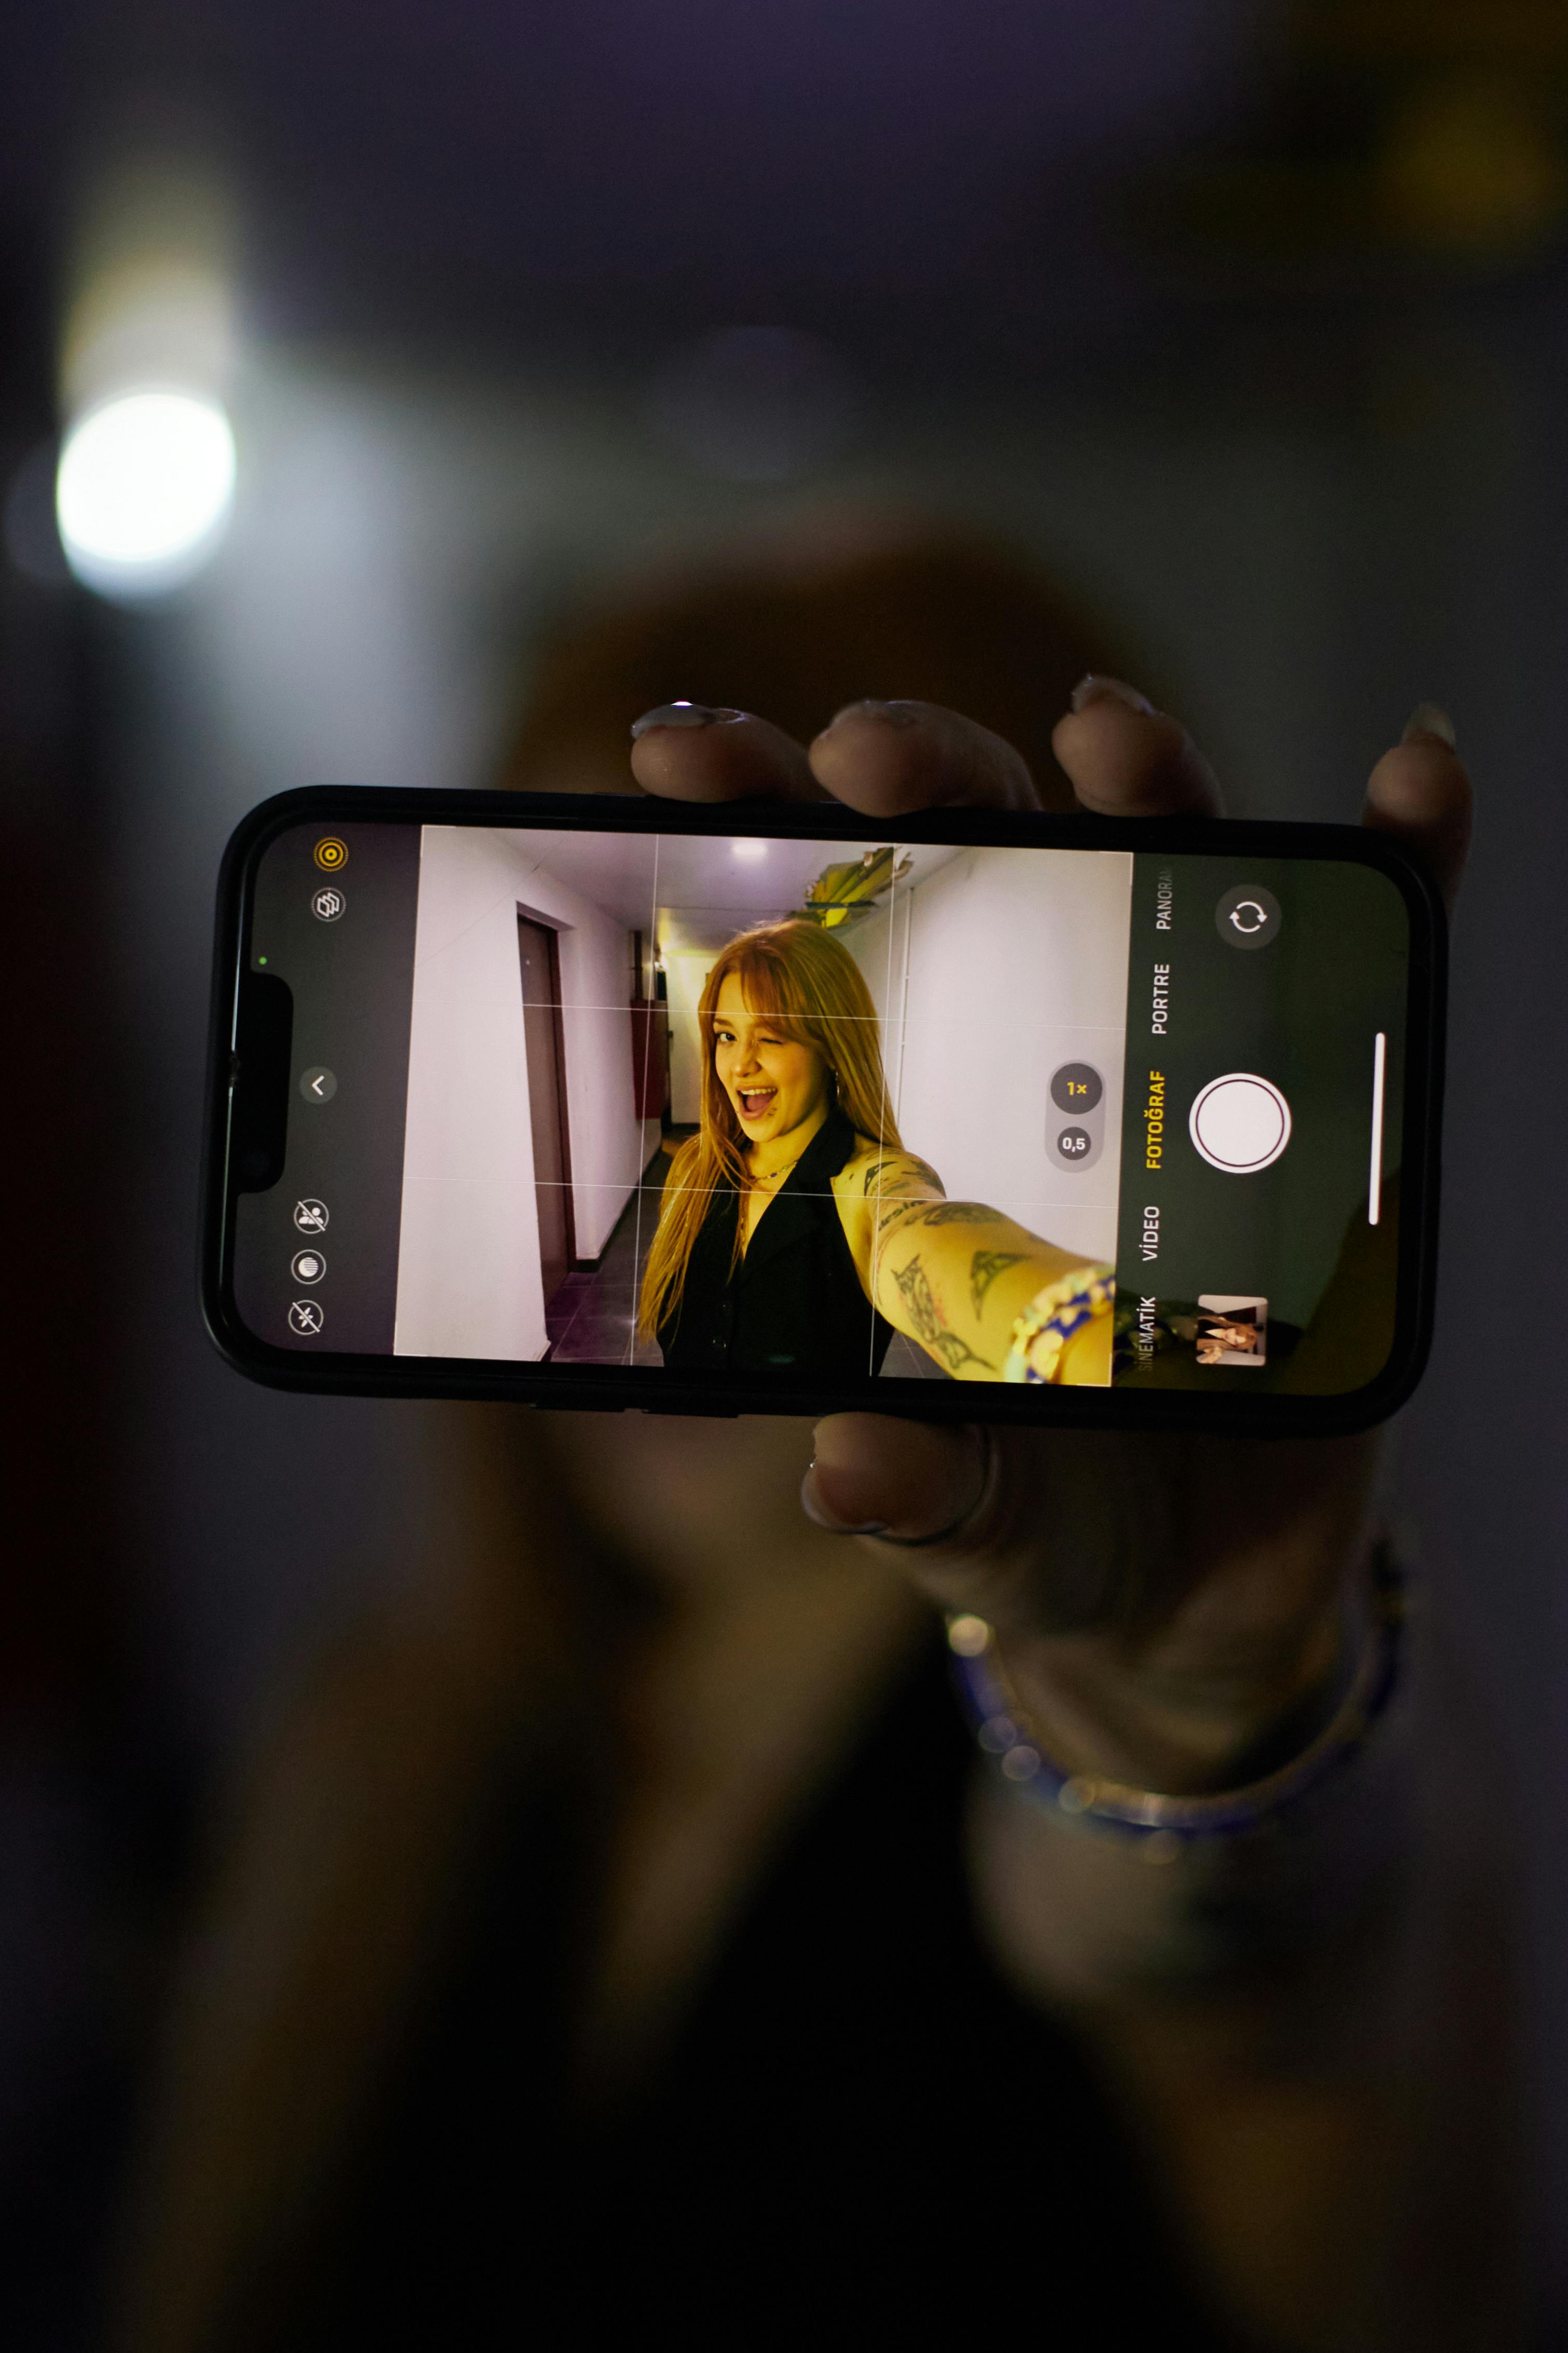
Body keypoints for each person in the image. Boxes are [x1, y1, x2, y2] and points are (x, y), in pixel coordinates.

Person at [108, 533, 1514, 2353]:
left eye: (762, 1034)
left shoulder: (1294, 1696)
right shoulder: (393, 1726)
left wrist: (1186, 1732)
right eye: (684, 1035)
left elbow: (1254, 1974)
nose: (719, 1081)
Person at [644, 913, 1113, 1383]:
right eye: (727, 1036)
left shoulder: (869, 1183)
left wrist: (1088, 1338)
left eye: (771, 1036)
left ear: (830, 1046)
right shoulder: (694, 1168)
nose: (741, 1064)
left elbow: (920, 1235)